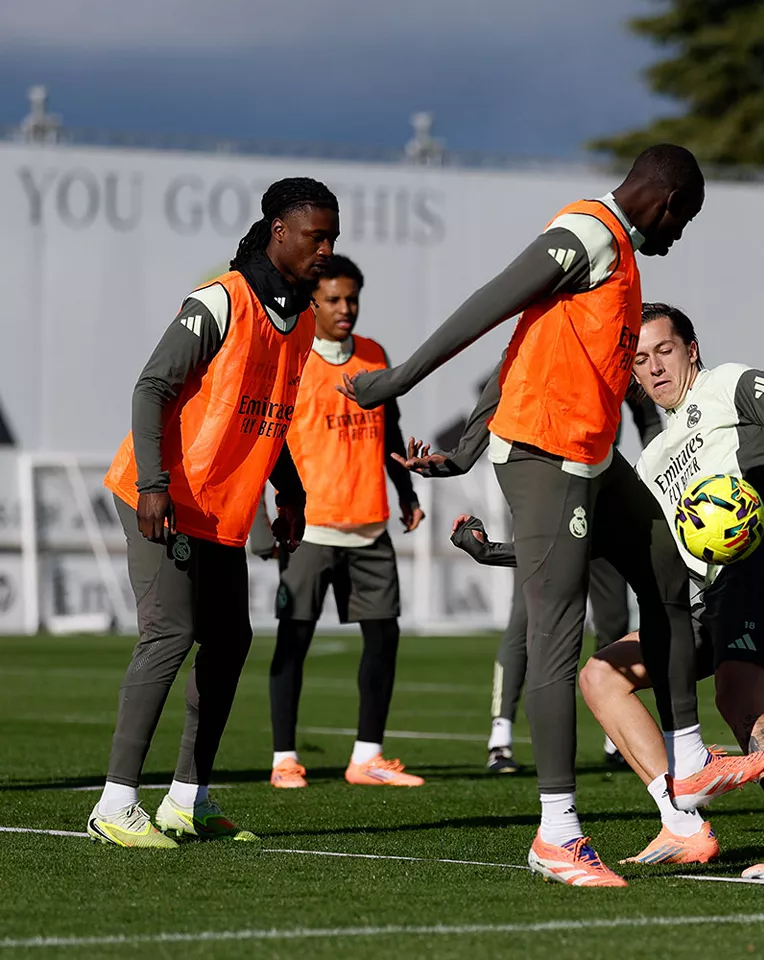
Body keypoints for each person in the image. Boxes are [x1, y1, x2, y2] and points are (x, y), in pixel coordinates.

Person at [342, 144, 711, 888]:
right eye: (685, 220)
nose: (680, 235)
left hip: (594, 459)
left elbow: (525, 344)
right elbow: (493, 304)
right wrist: (397, 380)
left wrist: (465, 446)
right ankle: (557, 833)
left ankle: (689, 783)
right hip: (547, 457)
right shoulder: (591, 231)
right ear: (667, 201)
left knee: (668, 574)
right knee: (556, 638)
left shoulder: (621, 257)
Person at [454, 302, 764, 877]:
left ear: (692, 350)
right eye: (638, 358)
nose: (652, 368)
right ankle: (683, 826)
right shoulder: (649, 463)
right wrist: (494, 551)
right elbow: (589, 540)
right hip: (707, 592)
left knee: (737, 691)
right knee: (602, 677)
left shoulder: (732, 384)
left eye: (664, 351)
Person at [89, 178, 339, 847]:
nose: (326, 249)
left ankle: (187, 802)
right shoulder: (220, 300)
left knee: (230, 642)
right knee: (169, 634)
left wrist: (290, 492)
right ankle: (114, 806)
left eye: (333, 238)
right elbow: (151, 388)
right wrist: (151, 485)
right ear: (279, 231)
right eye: (317, 236)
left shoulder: (301, 318)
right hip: (163, 498)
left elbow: (271, 419)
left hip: (223, 508)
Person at [389, 360, 662, 775]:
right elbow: (495, 393)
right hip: (548, 499)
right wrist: (459, 458)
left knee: (615, 620)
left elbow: (646, 414)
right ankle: (501, 739)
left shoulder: (608, 346)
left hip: (604, 496)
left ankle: (616, 736)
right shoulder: (535, 344)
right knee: (527, 623)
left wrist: (659, 468)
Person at [255, 254, 428, 790]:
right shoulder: (295, 357)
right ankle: (285, 758)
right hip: (311, 530)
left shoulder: (374, 355)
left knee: (384, 640)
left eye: (351, 298)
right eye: (333, 299)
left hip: (370, 526)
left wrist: (406, 492)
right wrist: (270, 517)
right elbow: (270, 442)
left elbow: (391, 430)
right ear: (313, 302)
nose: (345, 308)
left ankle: (367, 757)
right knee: (294, 641)